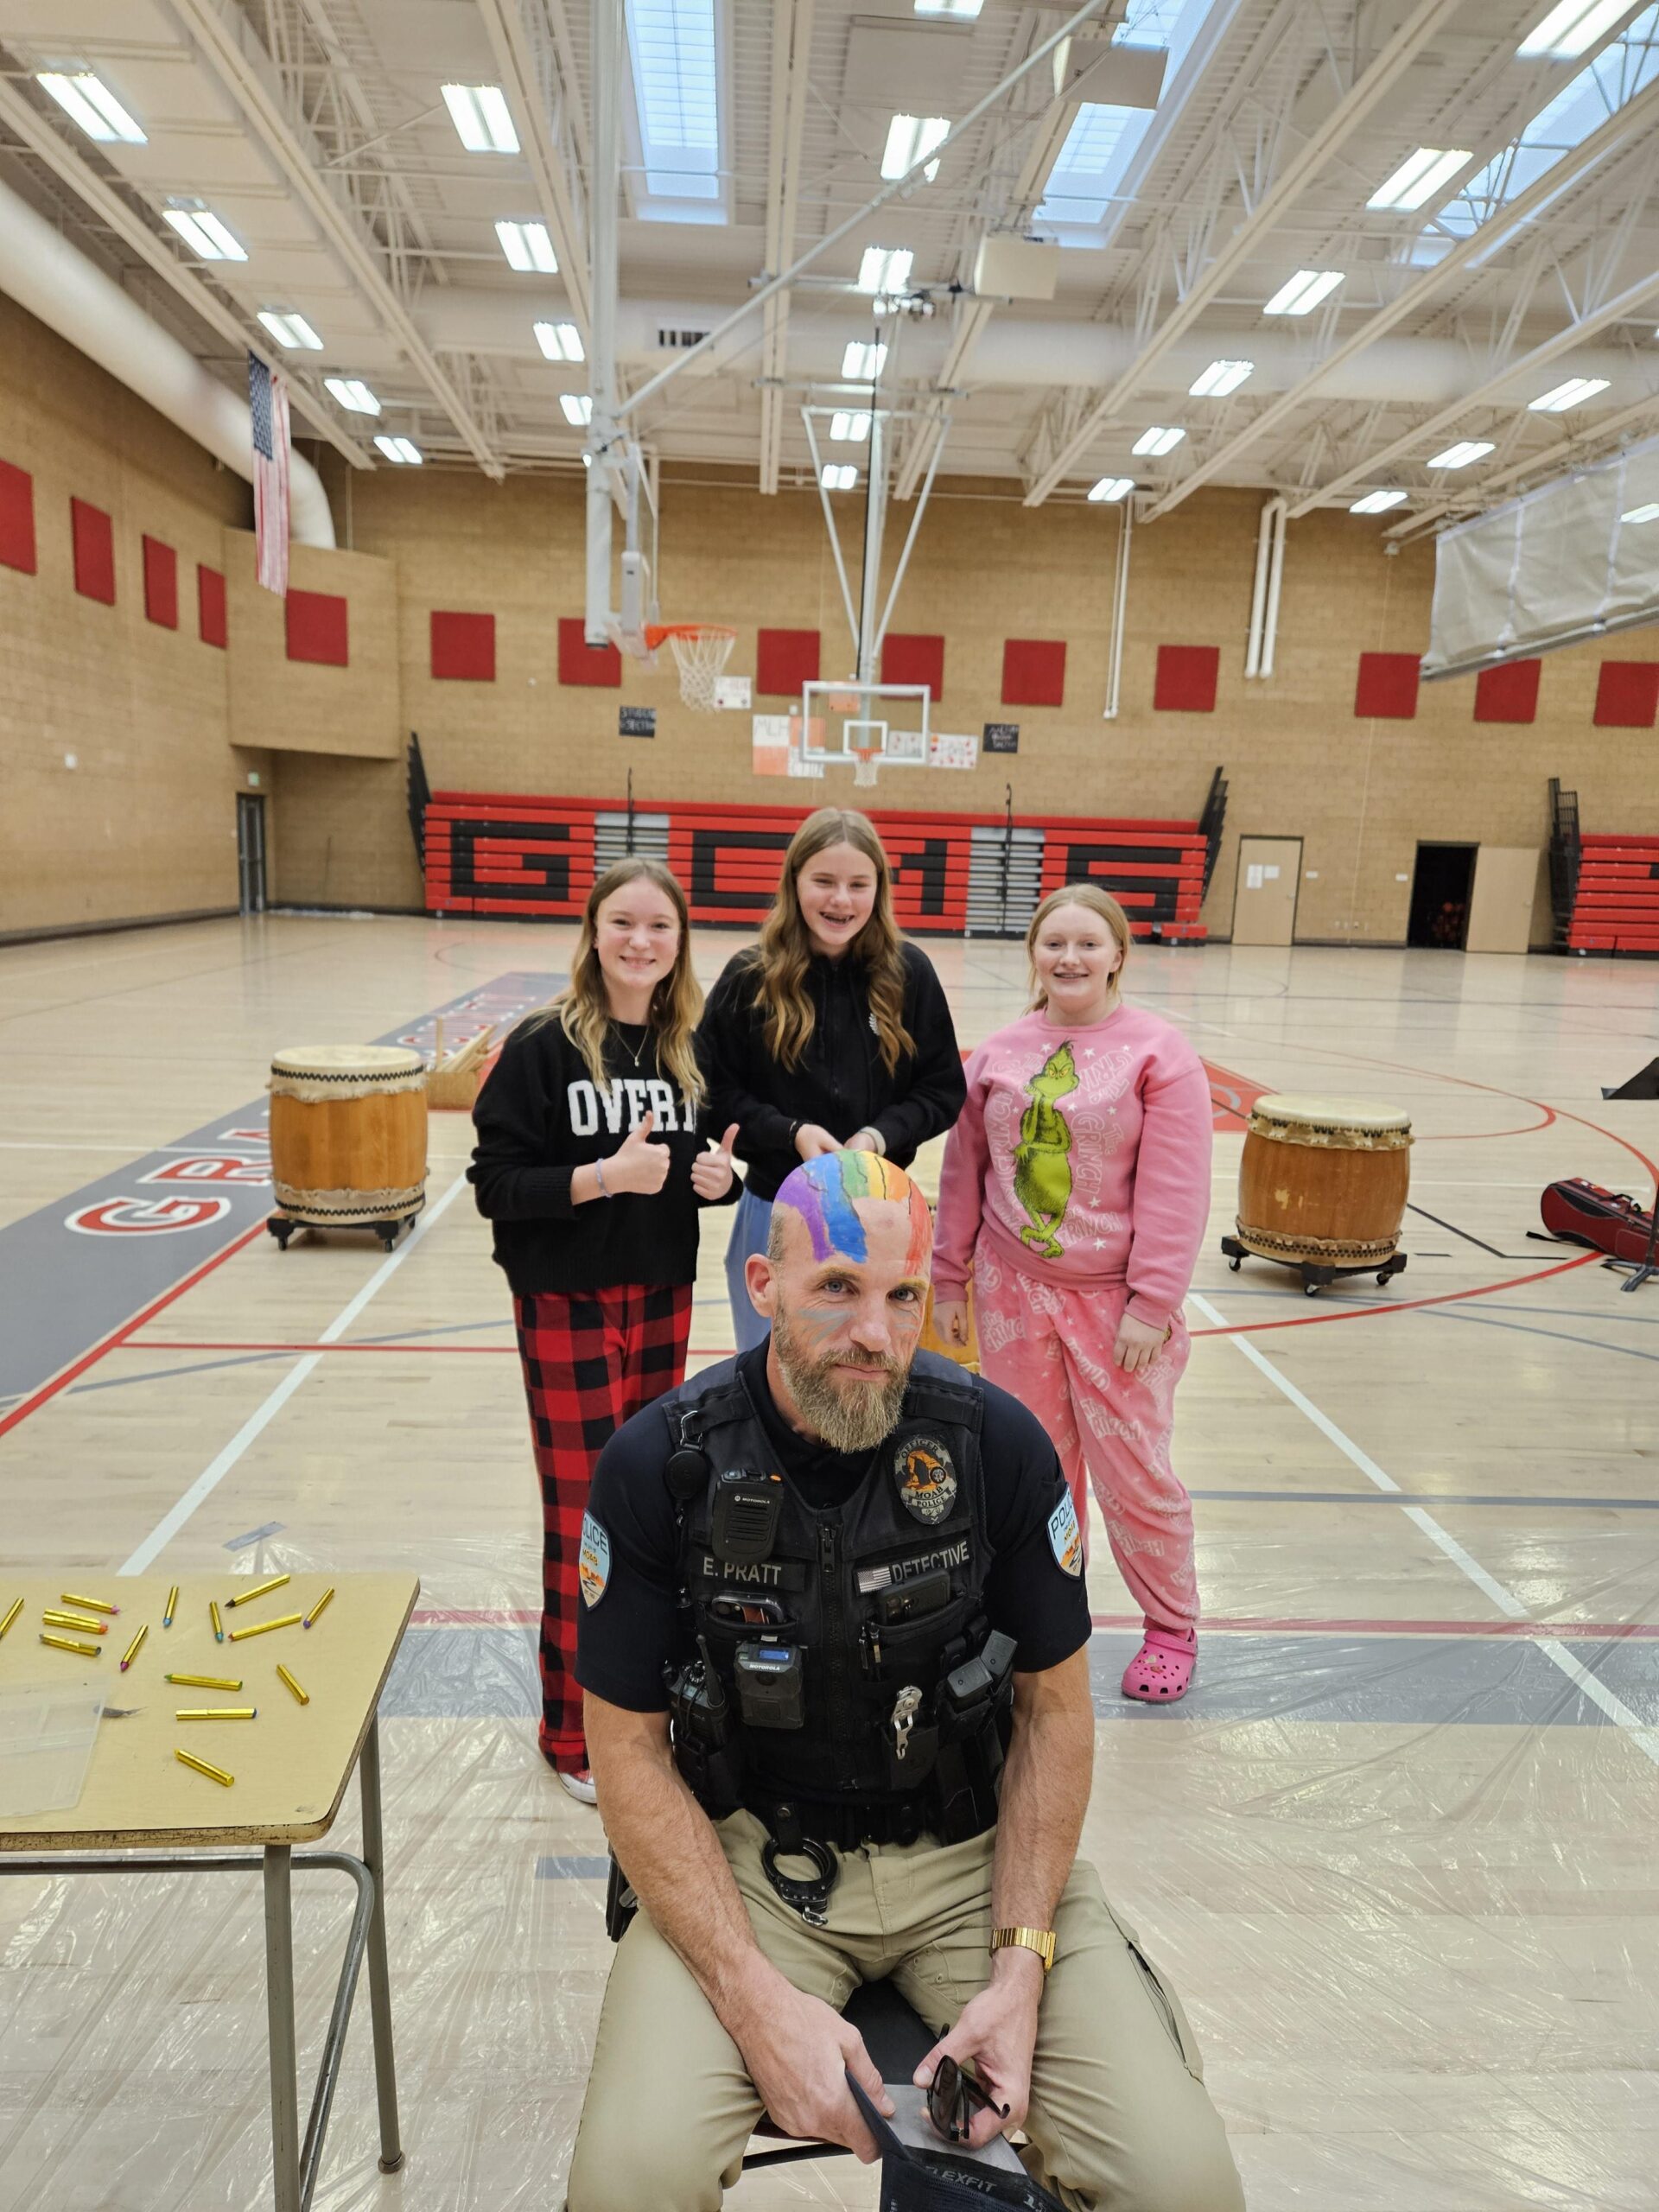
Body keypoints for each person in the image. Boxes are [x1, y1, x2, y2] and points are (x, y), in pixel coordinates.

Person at [564, 1150, 1243, 2211]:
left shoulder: (998, 1450)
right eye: (836, 1287)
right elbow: (626, 1753)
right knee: (627, 2182)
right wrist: (751, 2001)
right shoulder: (660, 1464)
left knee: (1185, 2185)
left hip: (976, 1865)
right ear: (763, 1288)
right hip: (746, 1869)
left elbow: (1055, 1712)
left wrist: (1020, 1974)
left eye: (903, 1295)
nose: (874, 1333)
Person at [469, 858, 740, 1803]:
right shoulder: (542, 1045)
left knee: (651, 1512)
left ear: (679, 944)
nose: (639, 941)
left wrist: (724, 1183)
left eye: (659, 927)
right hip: (565, 1302)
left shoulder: (687, 1048)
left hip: (659, 1295)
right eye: (622, 922)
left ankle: (643, 1715)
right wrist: (596, 1181)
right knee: (582, 1519)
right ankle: (570, 1733)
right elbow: (495, 1186)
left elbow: (713, 1159)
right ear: (592, 933)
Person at [931, 884, 1213, 1706]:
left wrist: (1152, 1305)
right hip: (1012, 1293)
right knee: (1032, 1473)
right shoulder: (998, 1054)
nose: (1070, 958)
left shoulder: (1160, 1055)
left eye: (1089, 943)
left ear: (1119, 954)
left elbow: (1176, 1190)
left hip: (1115, 1307)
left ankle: (1171, 1628)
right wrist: (950, 1278)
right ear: (1034, 954)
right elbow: (963, 1177)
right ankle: (1051, 1620)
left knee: (1136, 1475)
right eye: (1054, 942)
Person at [696, 806, 965, 1354]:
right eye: (824, 881)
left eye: (857, 884)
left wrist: (879, 1137)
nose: (840, 900)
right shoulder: (750, 976)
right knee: (772, 1369)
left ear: (878, 890)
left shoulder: (909, 973)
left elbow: (942, 1089)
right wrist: (788, 1131)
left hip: (882, 1210)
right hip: (776, 1208)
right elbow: (708, 1092)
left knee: (868, 1371)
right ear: (794, 883)